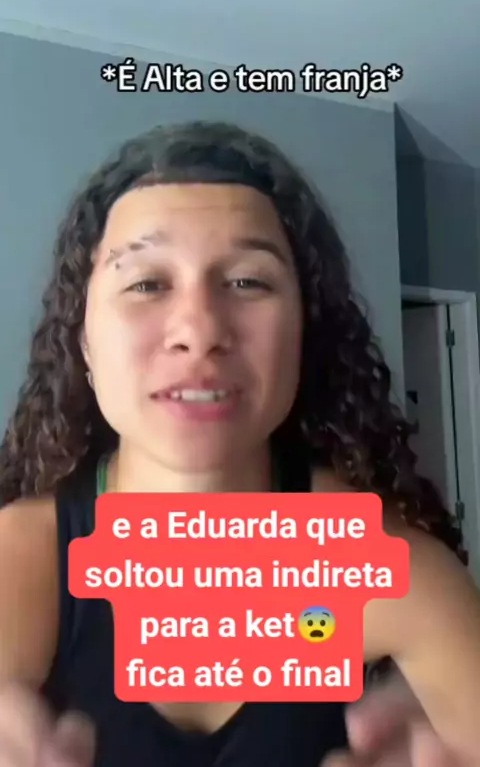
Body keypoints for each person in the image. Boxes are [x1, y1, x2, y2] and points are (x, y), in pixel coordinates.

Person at [0, 120, 478, 767]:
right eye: (146, 283)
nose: (199, 330)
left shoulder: (396, 571)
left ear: (305, 332)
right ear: (83, 341)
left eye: (249, 282)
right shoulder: (19, 563)